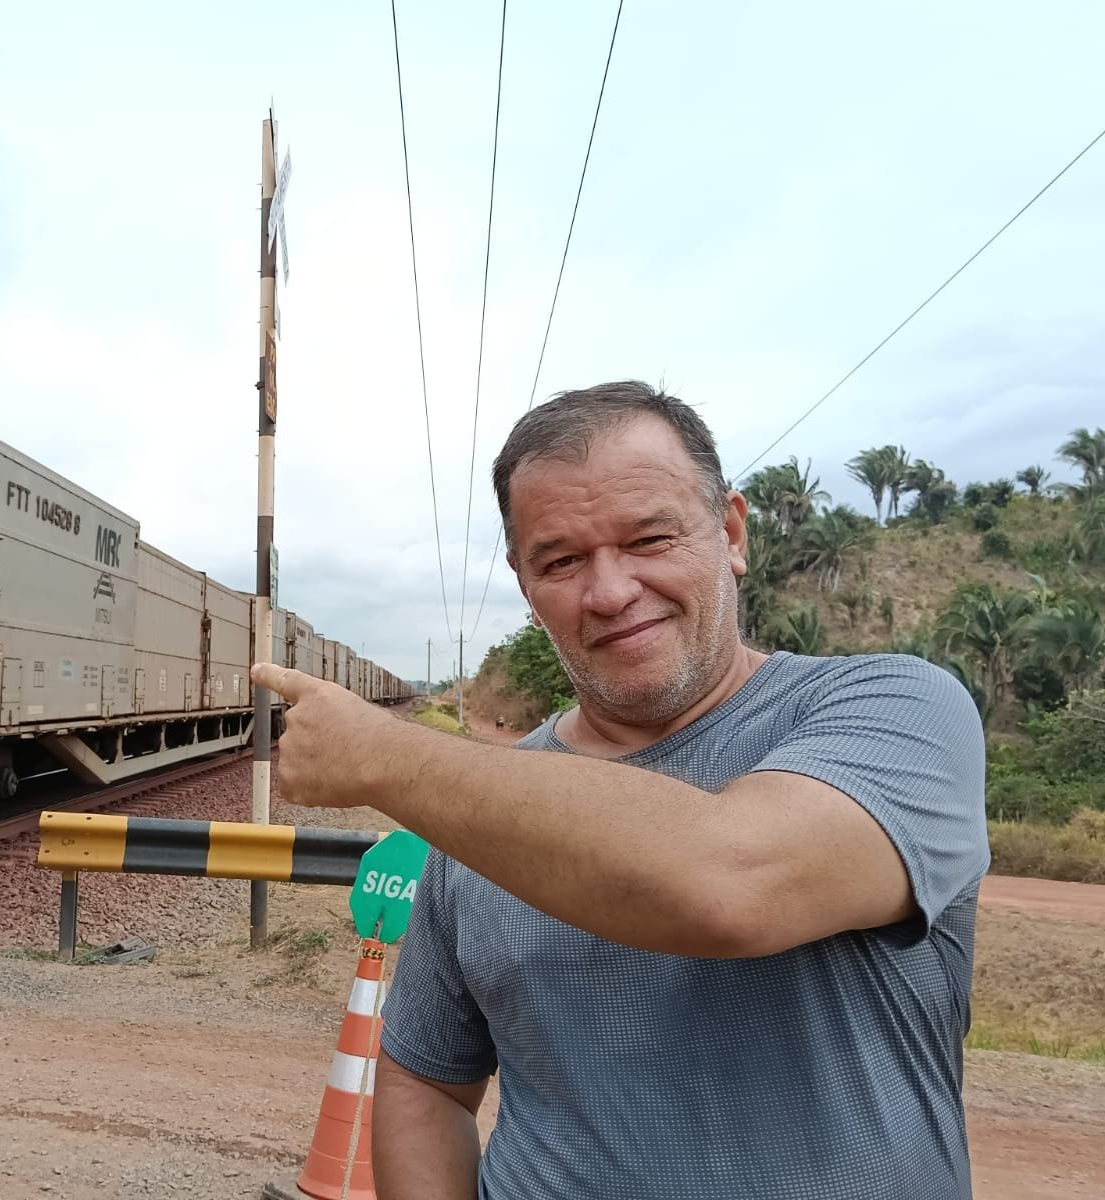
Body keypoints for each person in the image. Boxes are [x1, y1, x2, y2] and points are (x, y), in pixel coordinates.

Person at [251, 381, 988, 1200]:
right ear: (526, 587)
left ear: (732, 532)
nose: (607, 591)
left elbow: (731, 884)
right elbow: (425, 1079)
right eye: (561, 560)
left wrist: (386, 757)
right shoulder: (483, 815)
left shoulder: (899, 708)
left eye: (648, 538)